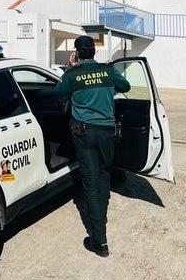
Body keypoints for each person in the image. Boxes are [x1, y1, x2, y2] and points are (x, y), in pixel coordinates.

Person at [55, 35, 131, 257]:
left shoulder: (73, 74)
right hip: (107, 131)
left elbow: (58, 93)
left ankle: (99, 240)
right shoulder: (107, 72)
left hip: (85, 133)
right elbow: (125, 85)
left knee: (90, 181)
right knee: (103, 174)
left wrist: (70, 68)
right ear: (94, 52)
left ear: (77, 53)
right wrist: (108, 78)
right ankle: (102, 217)